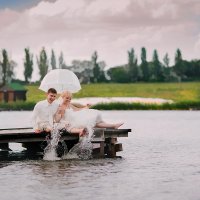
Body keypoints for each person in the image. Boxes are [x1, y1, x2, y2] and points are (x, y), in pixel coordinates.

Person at [54, 91, 123, 136]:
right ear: (62, 97)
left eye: (70, 98)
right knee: (93, 123)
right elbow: (59, 119)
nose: (69, 100)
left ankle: (114, 125)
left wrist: (86, 107)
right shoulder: (59, 106)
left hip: (75, 118)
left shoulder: (69, 104)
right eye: (67, 98)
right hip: (68, 121)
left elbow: (77, 109)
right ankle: (113, 125)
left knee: (94, 121)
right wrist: (60, 111)